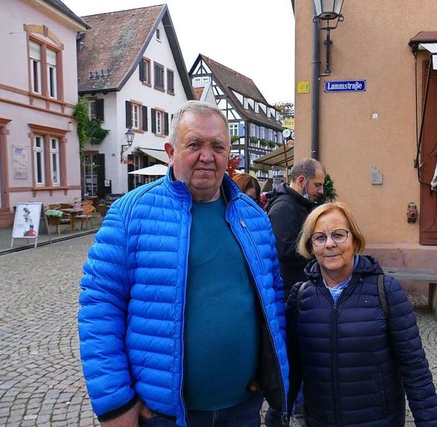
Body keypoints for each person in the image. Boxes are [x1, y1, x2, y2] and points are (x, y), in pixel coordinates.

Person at [78, 101, 289, 427]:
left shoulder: (254, 217)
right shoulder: (130, 213)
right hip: (165, 415)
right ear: (171, 151)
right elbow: (99, 308)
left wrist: (272, 372)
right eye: (194, 144)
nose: (207, 156)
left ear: (229, 156)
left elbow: (274, 300)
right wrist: (117, 405)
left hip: (243, 408)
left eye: (217, 146)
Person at [274, 202, 437, 427]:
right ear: (311, 246)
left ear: (354, 240)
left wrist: (431, 422)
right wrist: (276, 415)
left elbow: (414, 367)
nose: (330, 244)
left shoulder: (386, 291)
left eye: (339, 235)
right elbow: (292, 369)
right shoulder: (301, 297)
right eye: (320, 238)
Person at [265, 158, 326, 291]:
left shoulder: (298, 204)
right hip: (290, 288)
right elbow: (285, 251)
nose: (321, 191)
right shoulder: (284, 208)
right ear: (301, 181)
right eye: (317, 185)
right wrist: (319, 247)